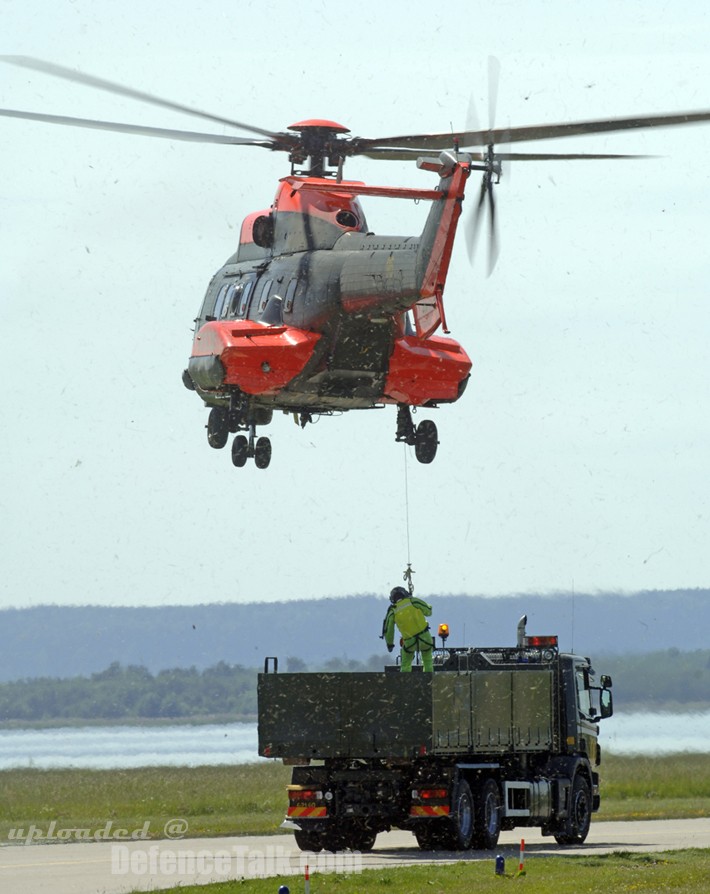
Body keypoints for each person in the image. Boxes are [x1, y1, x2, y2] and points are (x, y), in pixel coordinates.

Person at [382, 587, 434, 672]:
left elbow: (388, 630)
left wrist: (390, 644)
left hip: (410, 642)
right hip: (425, 639)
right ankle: (429, 679)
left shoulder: (393, 610)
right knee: (427, 661)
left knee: (405, 664)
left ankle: (405, 681)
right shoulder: (413, 601)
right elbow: (428, 611)